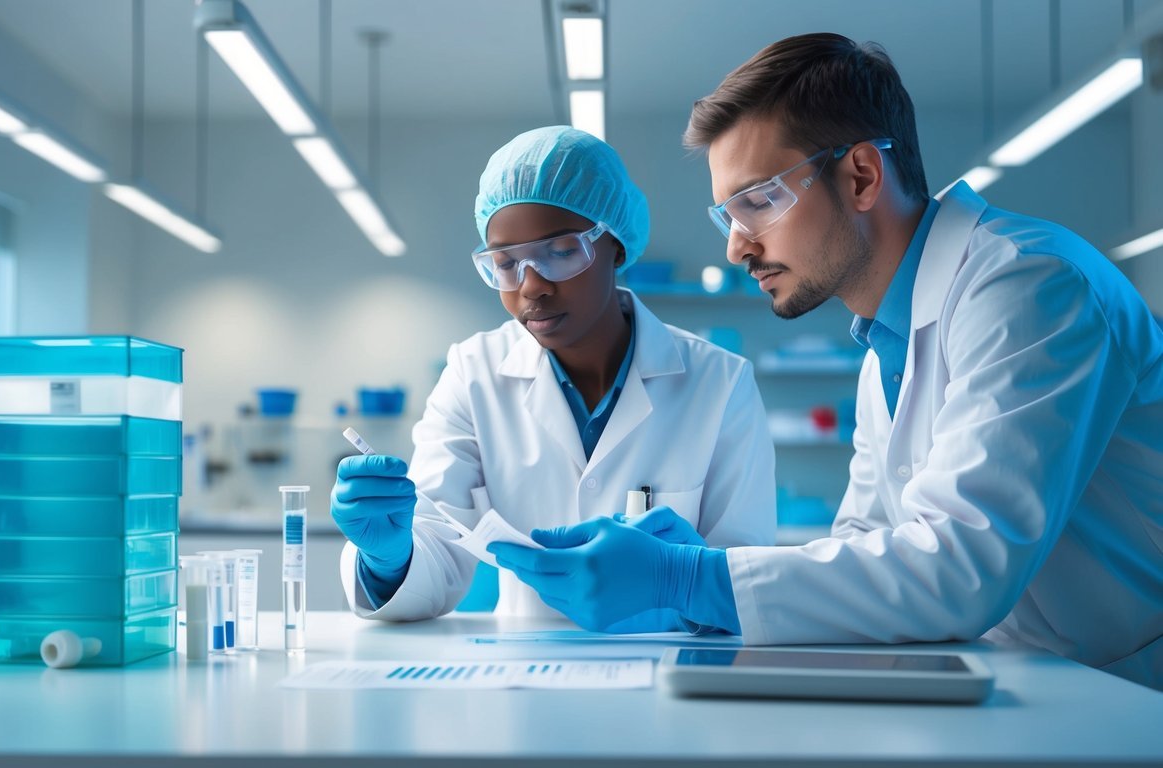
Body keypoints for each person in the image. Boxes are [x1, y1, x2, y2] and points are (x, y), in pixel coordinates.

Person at [490, 34, 1163, 689]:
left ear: (861, 175)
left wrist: (689, 579)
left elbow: (961, 567)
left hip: (1122, 696)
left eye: (756, 203)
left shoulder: (1026, 286)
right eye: (725, 215)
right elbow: (865, 546)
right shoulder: (885, 345)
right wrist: (704, 573)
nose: (736, 248)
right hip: (1022, 685)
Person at [331, 126, 775, 629]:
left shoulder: (720, 382)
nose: (532, 286)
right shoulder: (473, 373)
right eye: (505, 263)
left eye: (561, 251)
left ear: (617, 247)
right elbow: (439, 548)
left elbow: (745, 583)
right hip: (522, 683)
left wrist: (681, 577)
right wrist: (389, 557)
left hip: (668, 675)